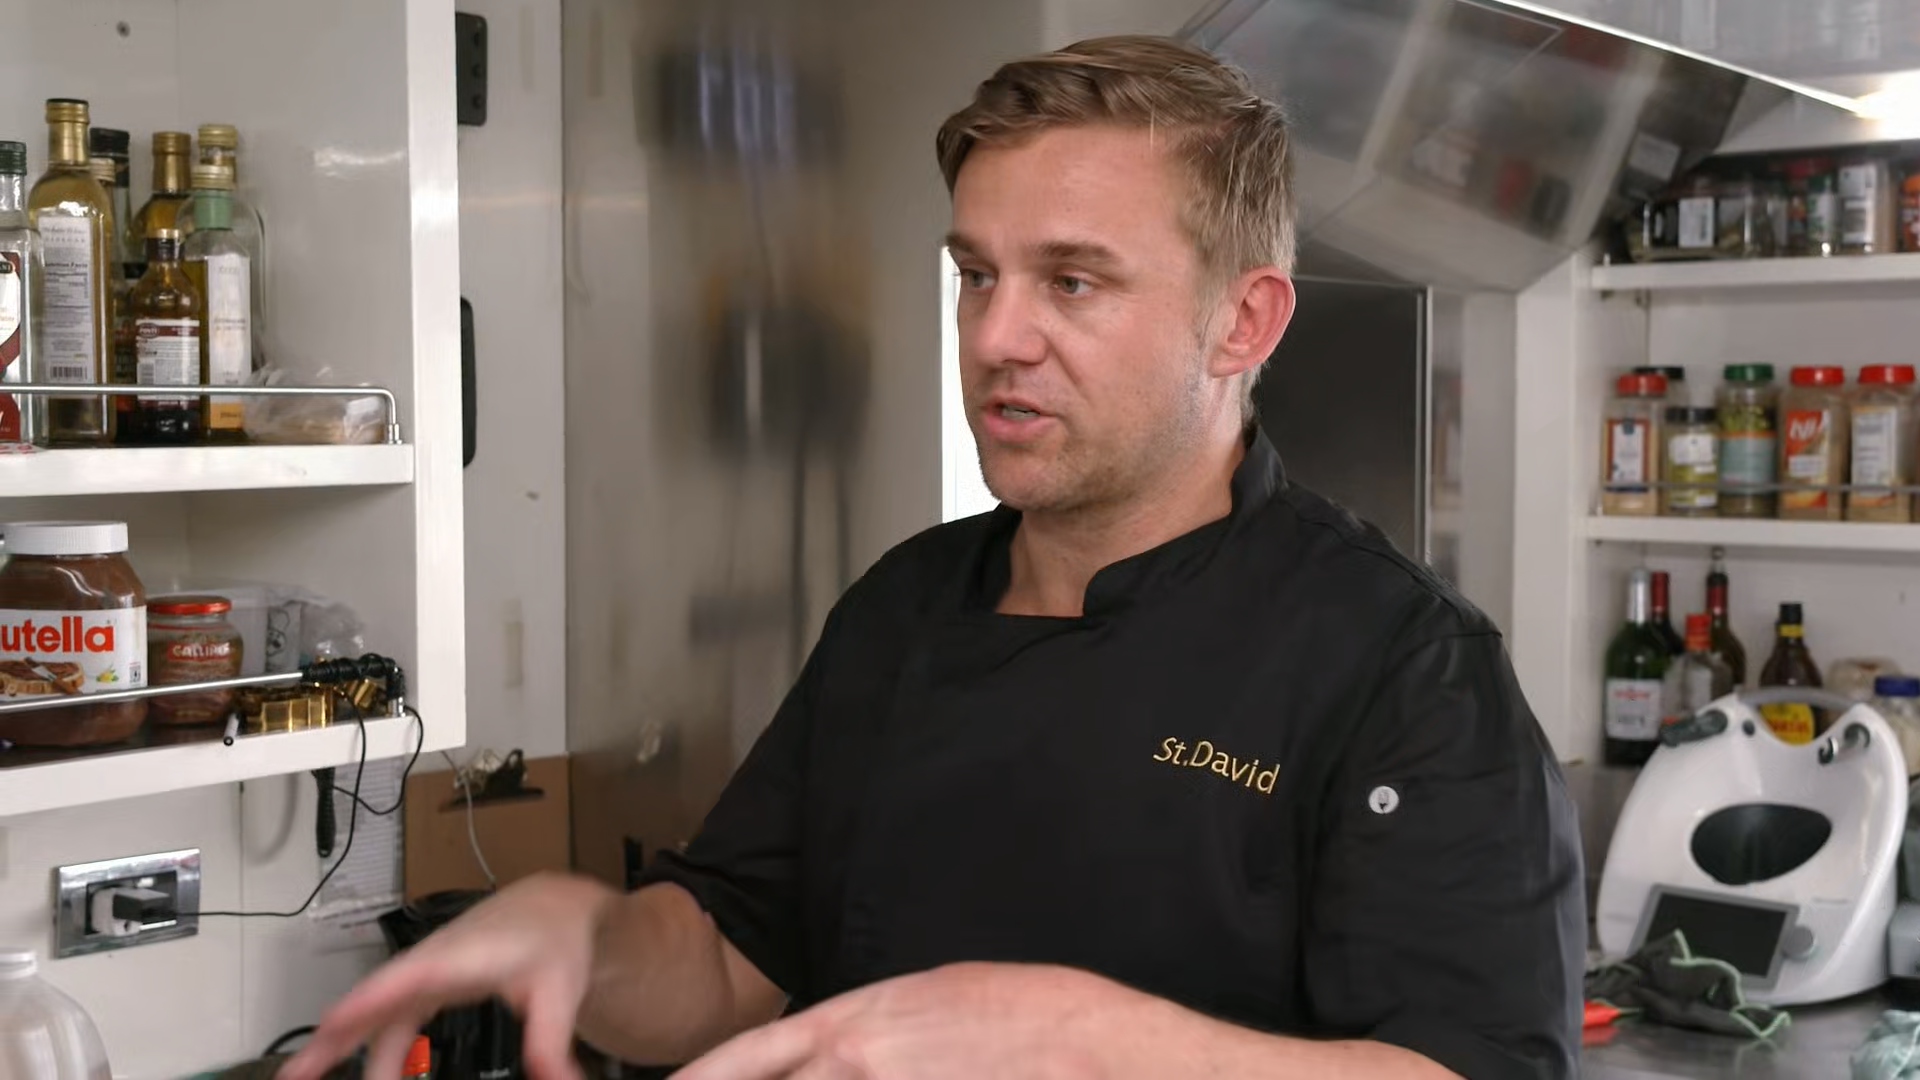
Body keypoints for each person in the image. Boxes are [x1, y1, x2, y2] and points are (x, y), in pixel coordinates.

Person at [284, 35, 1584, 1080]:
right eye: (976, 275)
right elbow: (730, 954)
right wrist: (589, 941)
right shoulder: (904, 607)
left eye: (1072, 281)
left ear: (1243, 322)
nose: (996, 336)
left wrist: (1085, 1041)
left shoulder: (1402, 667)